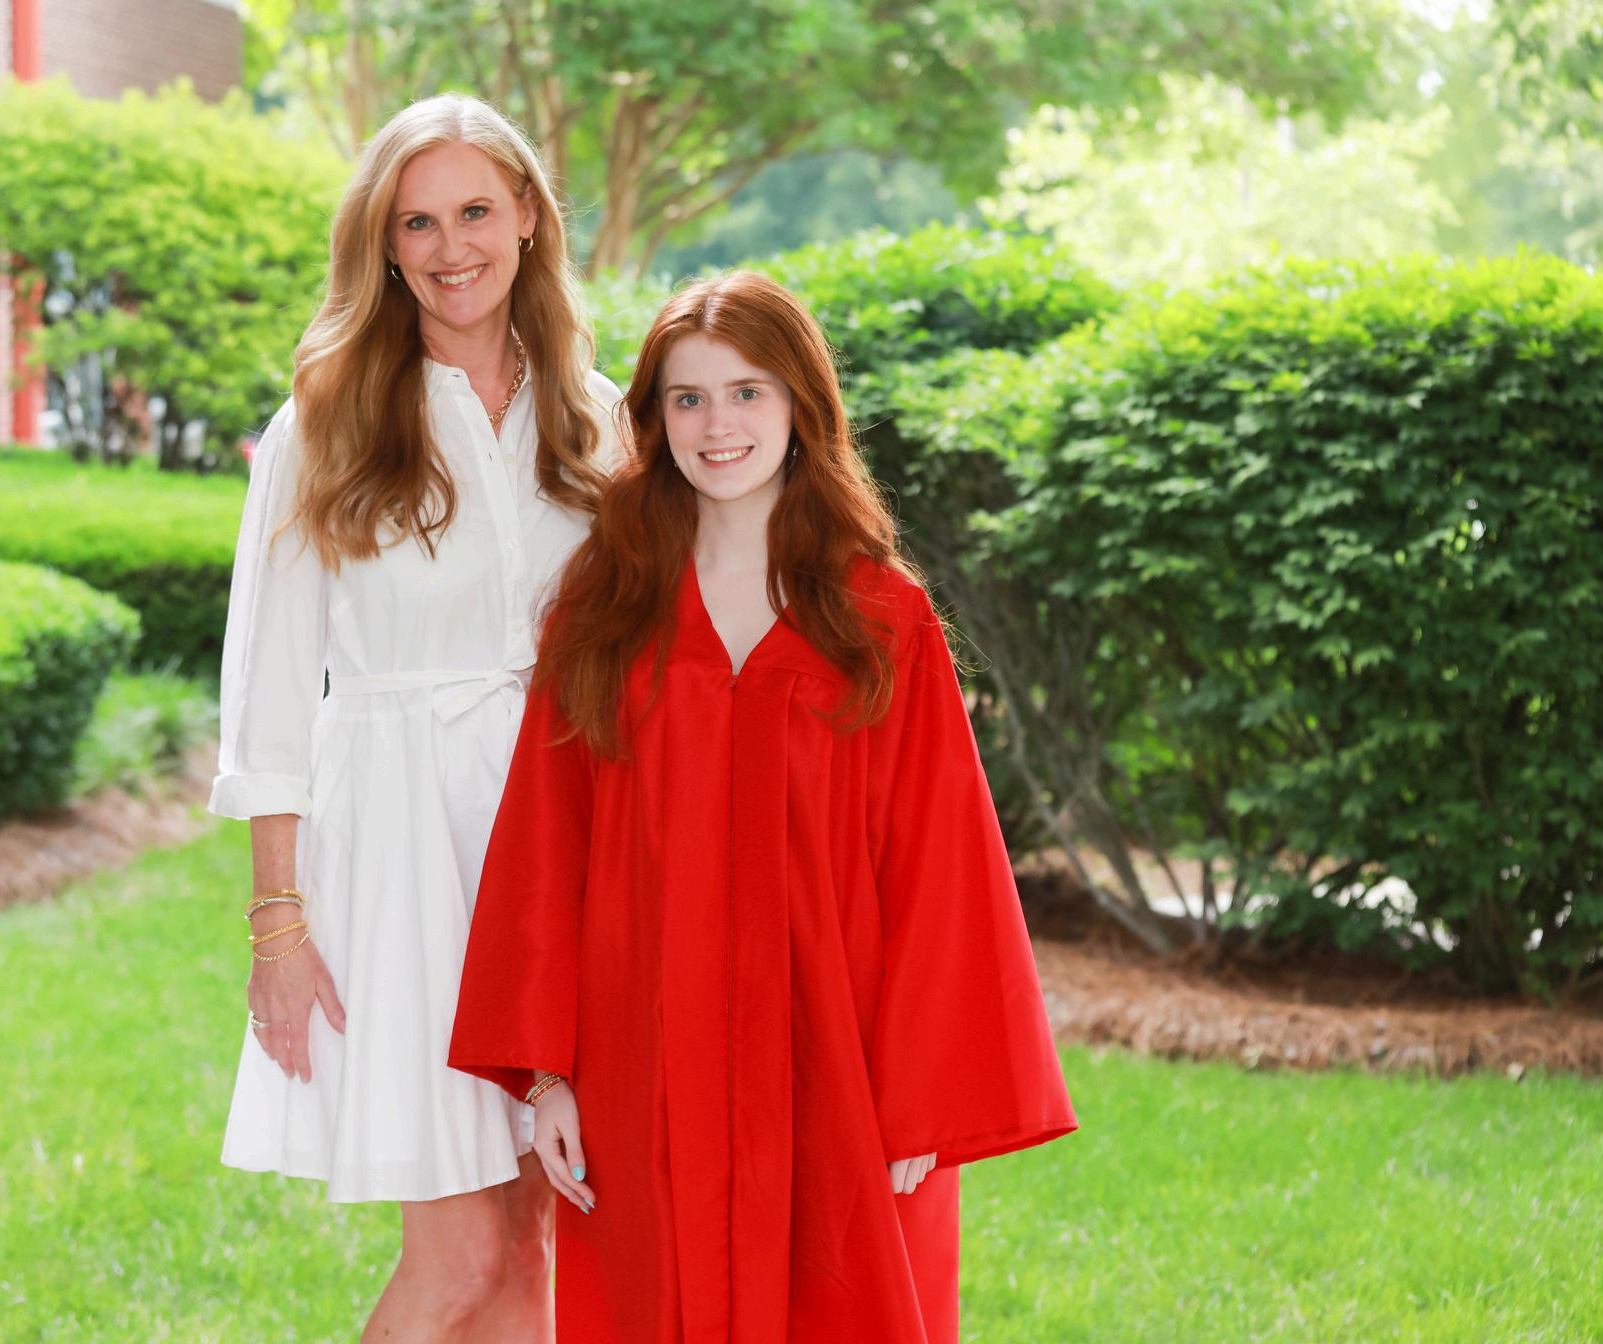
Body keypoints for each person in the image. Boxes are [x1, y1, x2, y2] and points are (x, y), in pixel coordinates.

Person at [447, 271, 1076, 1344]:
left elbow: (943, 865)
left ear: (800, 405)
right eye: (688, 398)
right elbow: (547, 846)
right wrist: (550, 1076)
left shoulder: (881, 618)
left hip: (840, 1060)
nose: (718, 426)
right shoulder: (606, 611)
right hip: (648, 1058)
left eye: (747, 392)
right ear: (654, 421)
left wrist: (924, 1095)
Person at [210, 93, 621, 1343]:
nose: (452, 248)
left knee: (533, 1241)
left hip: (554, 847)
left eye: (476, 211)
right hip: (400, 857)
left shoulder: (596, 415)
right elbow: (270, 691)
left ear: (530, 217)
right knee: (458, 1254)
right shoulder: (326, 421)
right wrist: (278, 925)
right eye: (418, 223)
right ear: (384, 246)